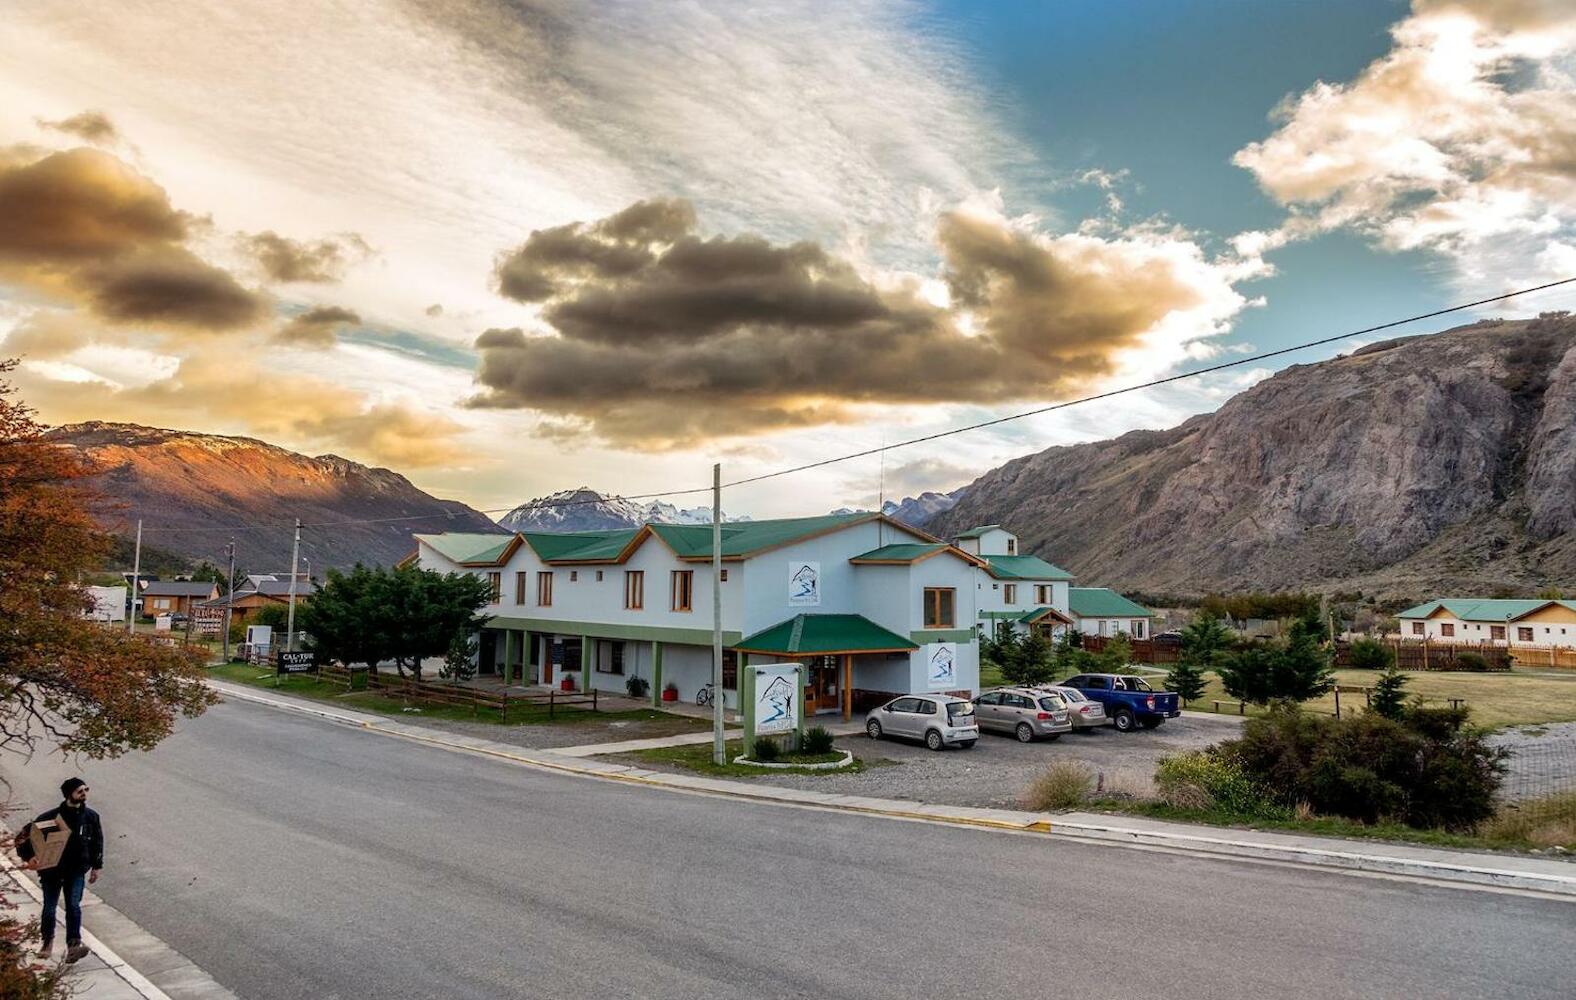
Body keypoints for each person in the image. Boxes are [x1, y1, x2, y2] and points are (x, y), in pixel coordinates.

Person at [16, 777, 103, 964]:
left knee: (73, 906)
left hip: (76, 870)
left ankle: (73, 946)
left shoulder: (91, 817)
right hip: (51, 872)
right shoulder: (49, 818)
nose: (84, 794)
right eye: (80, 791)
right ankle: (47, 943)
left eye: (86, 790)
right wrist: (29, 857)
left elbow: (97, 841)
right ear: (69, 794)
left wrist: (96, 866)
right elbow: (24, 838)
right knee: (49, 908)